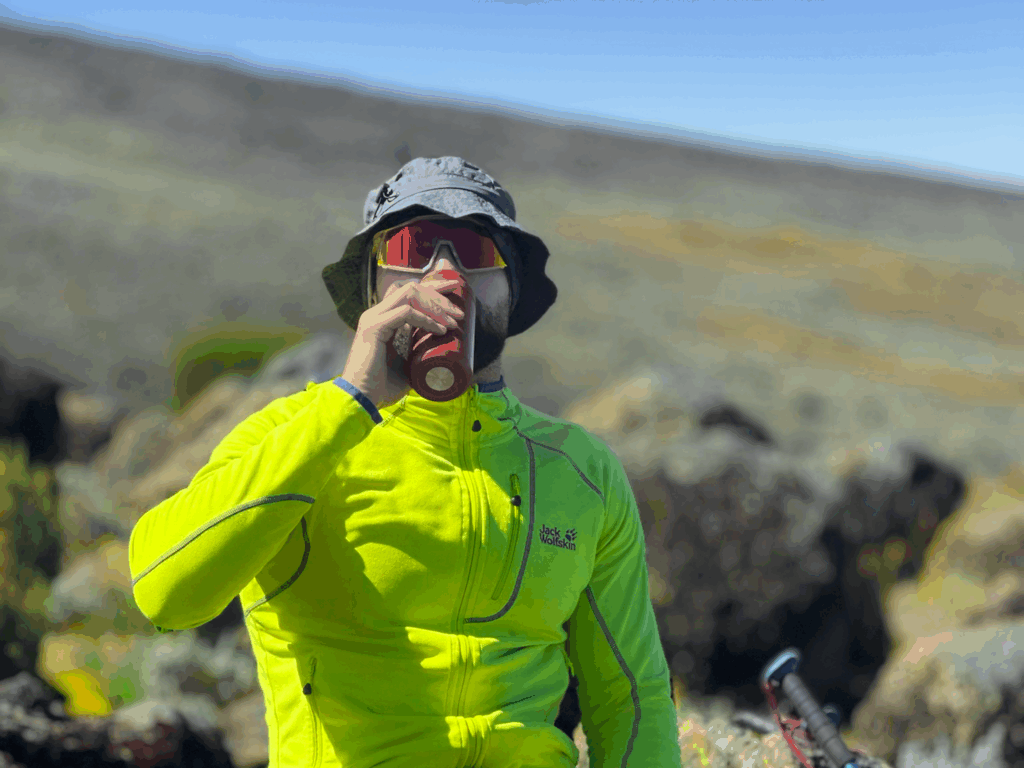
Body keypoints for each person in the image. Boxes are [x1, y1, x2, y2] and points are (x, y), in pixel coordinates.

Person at [129, 157, 681, 768]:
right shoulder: (294, 434)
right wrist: (350, 404)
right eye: (412, 247)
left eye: (476, 250)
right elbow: (162, 594)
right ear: (374, 286)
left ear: (513, 285)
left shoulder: (581, 469)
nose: (445, 275)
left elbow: (629, 697)